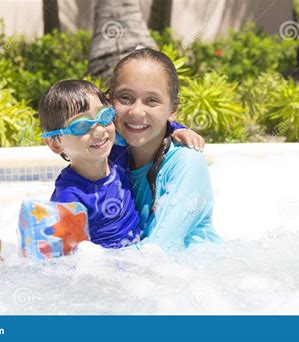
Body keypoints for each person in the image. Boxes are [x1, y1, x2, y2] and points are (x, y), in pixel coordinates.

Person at [39, 79, 203, 249]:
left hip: (139, 254)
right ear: (55, 144)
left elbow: (149, 127)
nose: (99, 130)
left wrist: (177, 128)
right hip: (109, 267)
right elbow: (68, 261)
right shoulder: (69, 198)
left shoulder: (117, 154)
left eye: (104, 117)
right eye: (81, 125)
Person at [108, 48, 222, 250]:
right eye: (125, 97)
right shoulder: (108, 151)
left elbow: (159, 250)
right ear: (110, 101)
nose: (136, 111)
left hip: (194, 275)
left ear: (173, 110)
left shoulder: (186, 162)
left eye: (152, 100)